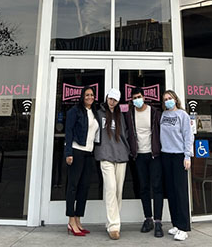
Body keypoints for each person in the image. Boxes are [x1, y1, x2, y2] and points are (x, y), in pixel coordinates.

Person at [126, 86, 164, 237]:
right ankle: (148, 218)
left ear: (144, 97)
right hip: (139, 156)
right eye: (134, 98)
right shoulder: (129, 114)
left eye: (139, 97)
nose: (137, 100)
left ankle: (158, 222)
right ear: (131, 100)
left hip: (154, 155)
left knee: (157, 187)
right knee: (143, 187)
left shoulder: (154, 113)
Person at [94, 88, 130, 240]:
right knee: (110, 188)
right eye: (110, 98)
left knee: (118, 191)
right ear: (106, 97)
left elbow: (126, 134)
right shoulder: (99, 112)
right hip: (105, 155)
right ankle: (114, 225)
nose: (112, 102)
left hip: (121, 155)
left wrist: (128, 150)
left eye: (115, 100)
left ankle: (111, 222)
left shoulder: (121, 115)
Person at [65, 85, 100, 236]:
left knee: (84, 187)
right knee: (73, 186)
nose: (90, 97)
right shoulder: (75, 111)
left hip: (89, 153)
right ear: (82, 96)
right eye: (87, 95)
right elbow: (68, 131)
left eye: (91, 95)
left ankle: (78, 220)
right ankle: (71, 220)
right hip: (77, 151)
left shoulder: (94, 112)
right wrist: (68, 153)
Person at [160, 89, 193, 242]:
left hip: (179, 155)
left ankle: (184, 227)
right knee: (171, 191)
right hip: (166, 155)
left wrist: (187, 155)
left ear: (175, 99)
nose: (168, 101)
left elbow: (188, 136)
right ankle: (175, 224)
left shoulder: (182, 115)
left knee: (180, 191)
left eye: (170, 98)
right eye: (165, 99)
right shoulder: (163, 115)